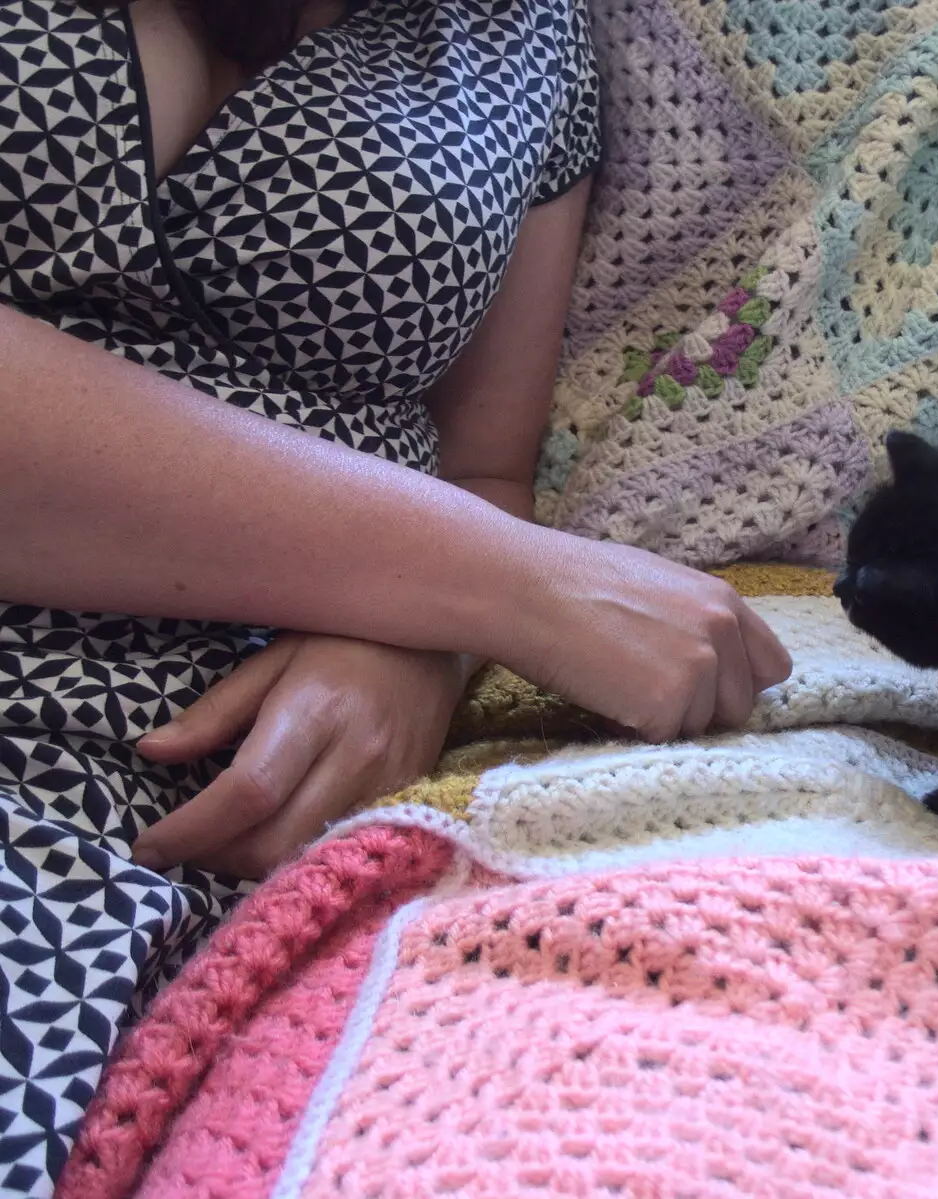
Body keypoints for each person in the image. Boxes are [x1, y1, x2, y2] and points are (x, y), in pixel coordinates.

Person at [0, 0, 790, 1190]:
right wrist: (505, 585)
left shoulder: (531, 43)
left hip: (197, 805)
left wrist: (417, 650)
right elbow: (491, 539)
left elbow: (483, 468)